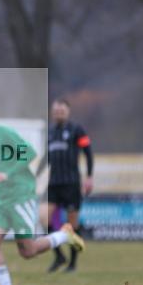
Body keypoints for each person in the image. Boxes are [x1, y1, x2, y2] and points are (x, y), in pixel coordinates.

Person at [0, 99, 85, 285]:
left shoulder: (3, 133)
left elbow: (29, 153)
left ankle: (65, 235)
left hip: (20, 194)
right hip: (1, 199)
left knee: (28, 251)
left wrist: (9, 173)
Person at [41, 98, 94, 273]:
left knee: (71, 225)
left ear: (68, 112)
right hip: (54, 183)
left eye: (62, 110)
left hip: (71, 183)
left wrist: (89, 176)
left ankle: (72, 264)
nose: (59, 113)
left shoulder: (76, 130)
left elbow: (88, 152)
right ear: (52, 113)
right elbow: (46, 158)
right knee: (44, 219)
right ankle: (59, 256)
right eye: (56, 111)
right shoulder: (50, 132)